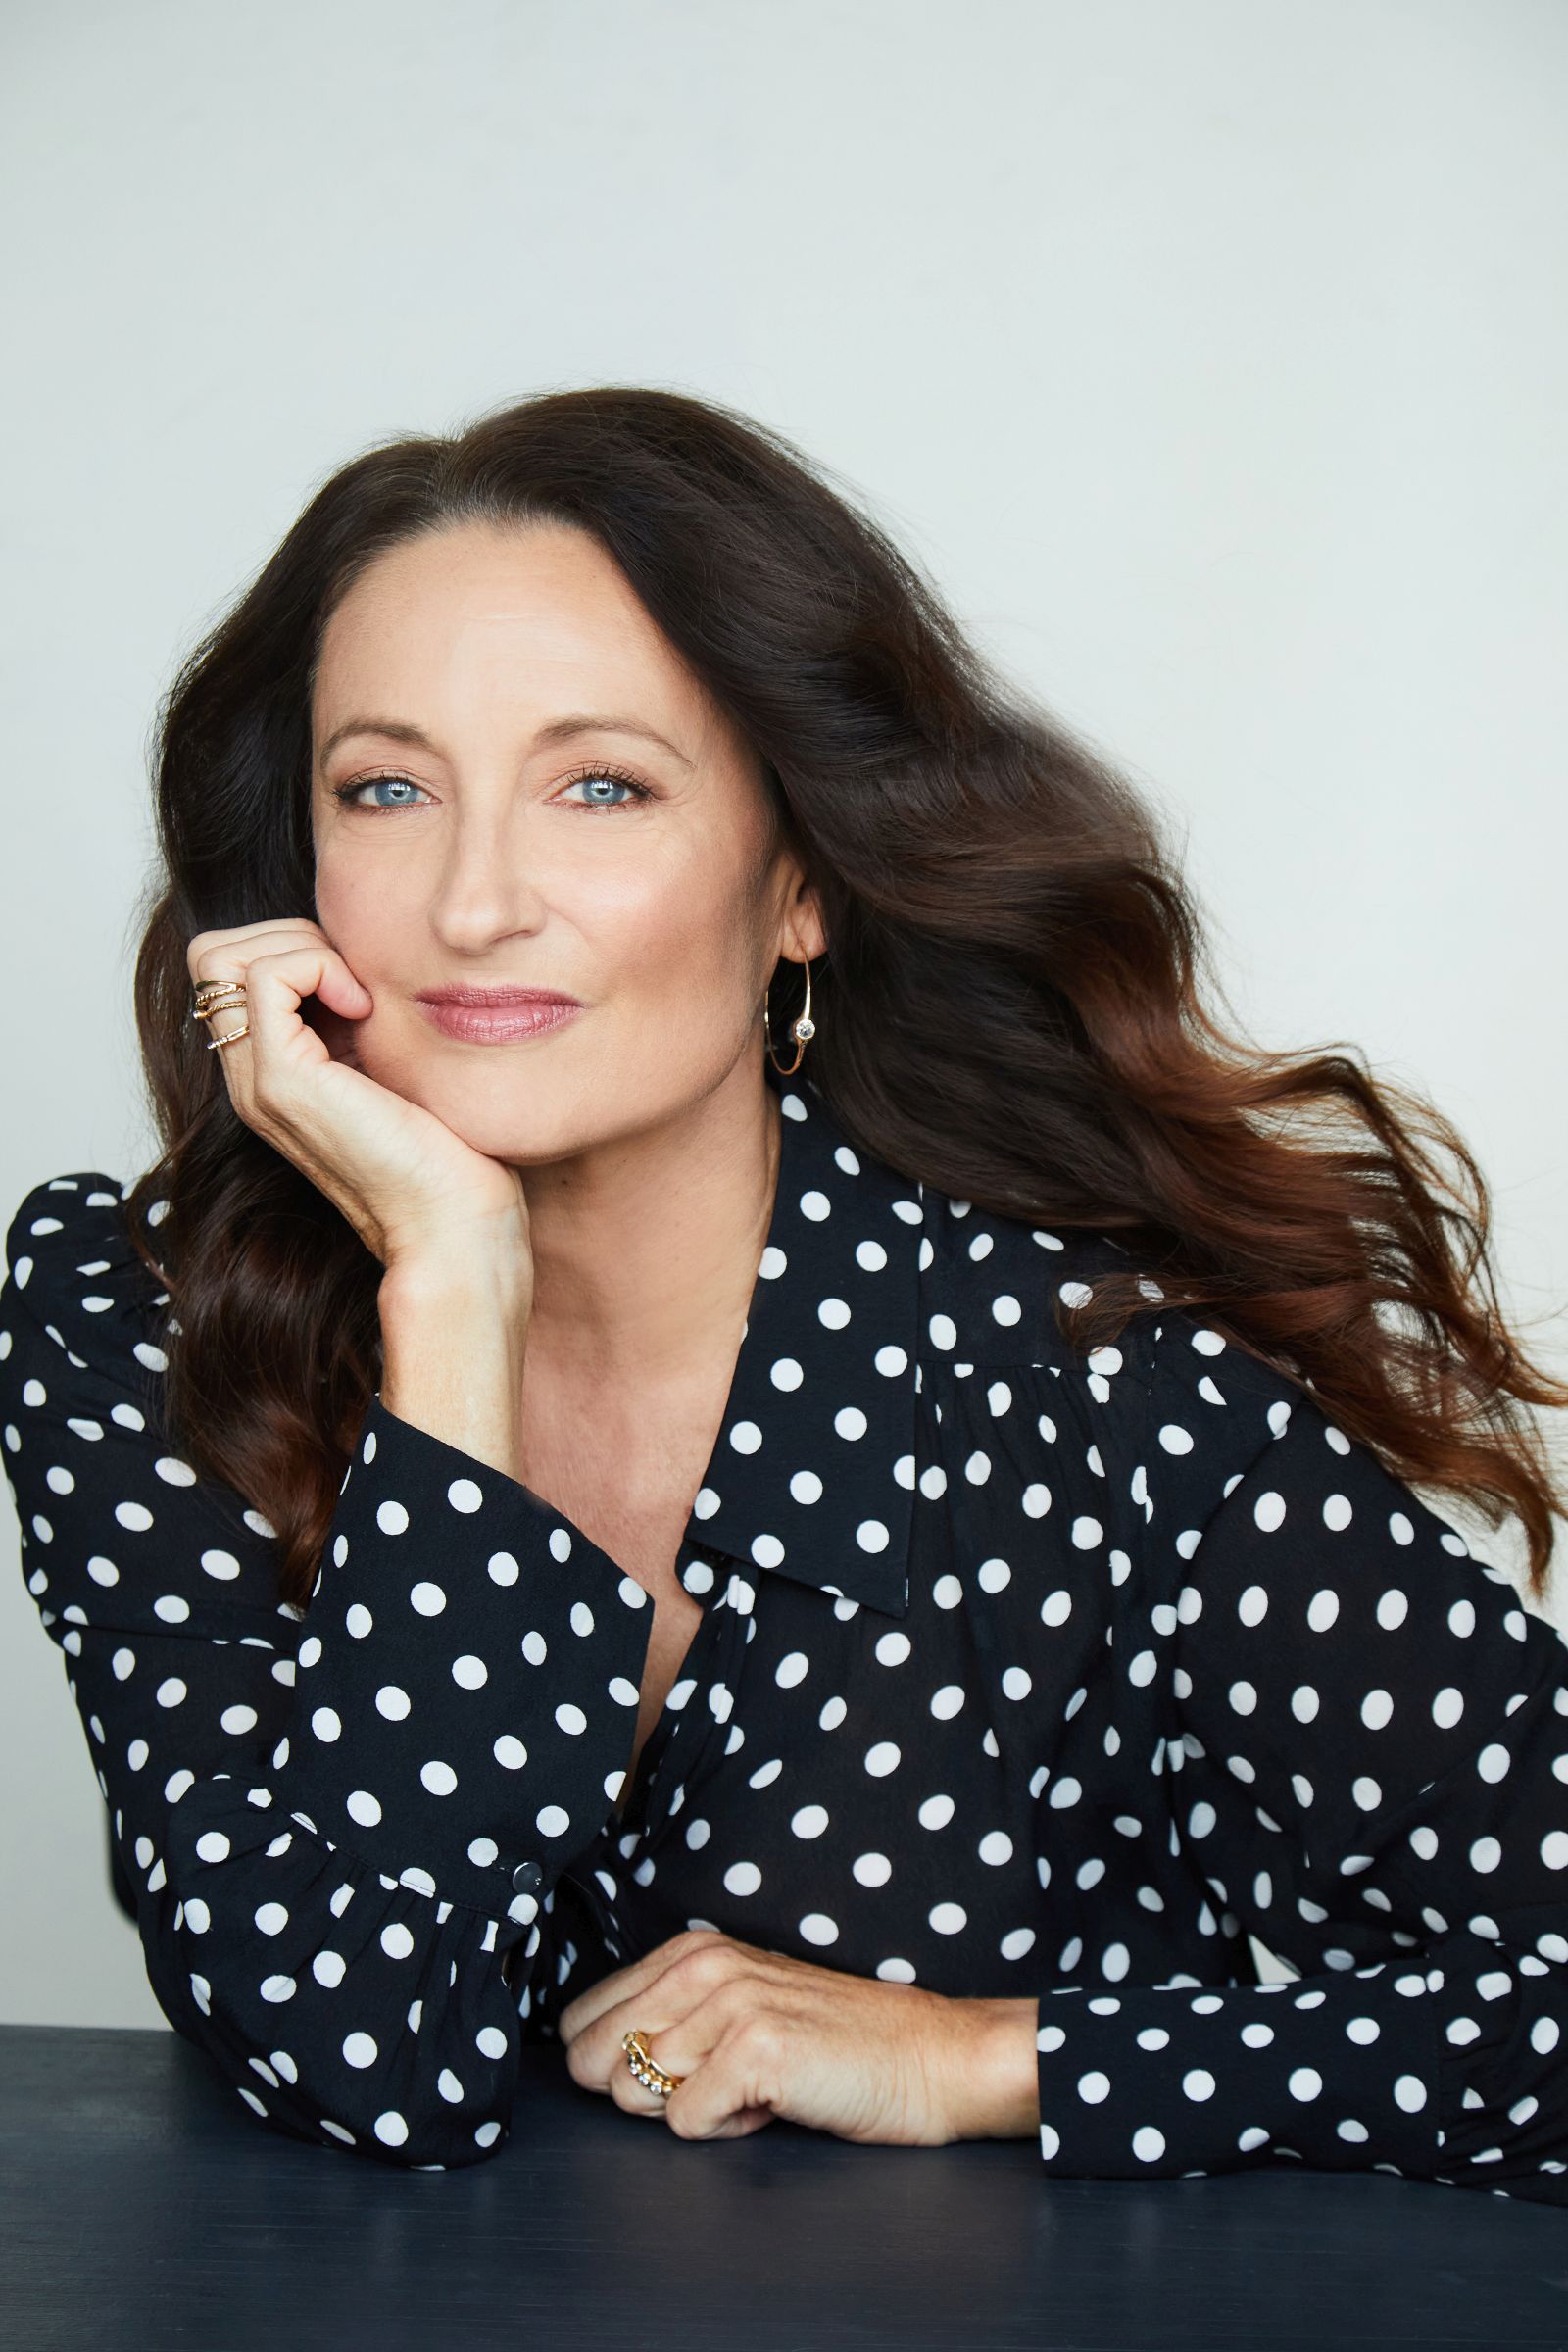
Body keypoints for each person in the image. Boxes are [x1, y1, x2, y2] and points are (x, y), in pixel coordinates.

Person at [3, 388, 1566, 2193]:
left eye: (601, 786)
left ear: (799, 886)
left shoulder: (1080, 1384)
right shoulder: (148, 1323)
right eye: (387, 789)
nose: (475, 902)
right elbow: (370, 2052)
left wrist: (991, 2060)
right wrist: (455, 1288)